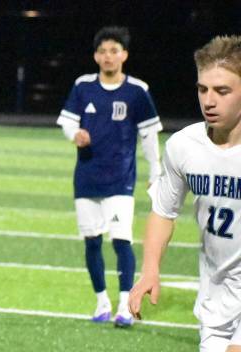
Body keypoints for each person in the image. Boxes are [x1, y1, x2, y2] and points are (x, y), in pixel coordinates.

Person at [129, 35, 241, 352]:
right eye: (203, 89)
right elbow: (163, 210)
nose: (210, 100)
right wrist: (149, 269)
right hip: (216, 298)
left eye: (223, 89)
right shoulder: (184, 145)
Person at [57, 26, 162, 327]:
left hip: (120, 180)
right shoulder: (83, 86)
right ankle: (101, 300)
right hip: (87, 178)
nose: (108, 56)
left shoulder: (137, 91)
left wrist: (155, 171)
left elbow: (149, 134)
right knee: (91, 242)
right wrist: (74, 134)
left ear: (124, 55)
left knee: (121, 241)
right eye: (103, 51)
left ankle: (125, 305)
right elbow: (67, 122)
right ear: (95, 55)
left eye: (114, 50)